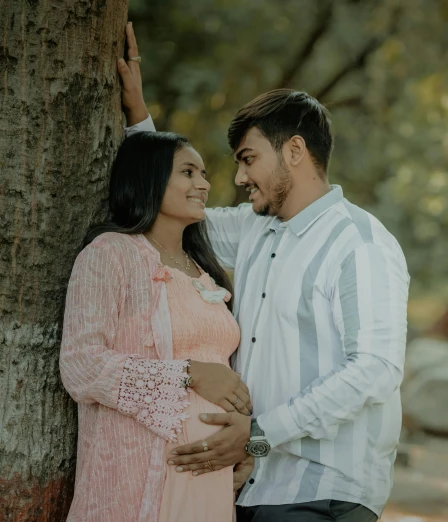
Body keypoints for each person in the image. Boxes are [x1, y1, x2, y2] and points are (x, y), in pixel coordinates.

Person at [118, 22, 410, 522]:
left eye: (249, 159)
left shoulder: (360, 242)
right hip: (254, 486)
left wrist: (258, 434)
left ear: (294, 152)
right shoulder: (255, 231)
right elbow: (173, 212)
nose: (238, 177)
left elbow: (375, 370)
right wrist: (140, 121)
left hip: (326, 494)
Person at [60, 106, 255, 519]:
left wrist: (246, 441)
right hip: (141, 478)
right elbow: (80, 365)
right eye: (188, 172)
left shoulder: (204, 271)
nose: (203, 184)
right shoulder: (110, 255)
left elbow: (225, 374)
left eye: (203, 174)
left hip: (210, 476)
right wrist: (190, 372)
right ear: (150, 178)